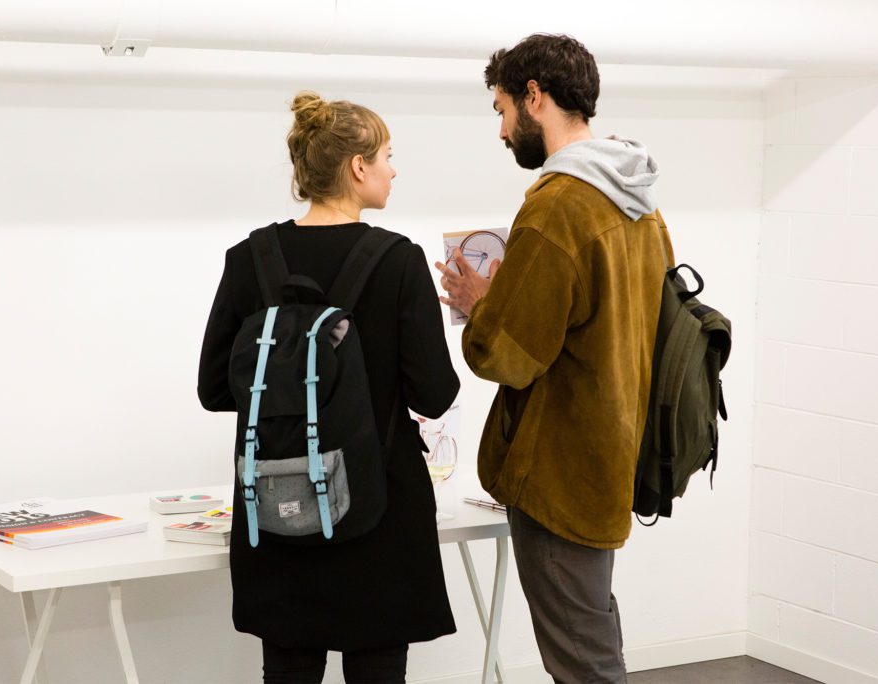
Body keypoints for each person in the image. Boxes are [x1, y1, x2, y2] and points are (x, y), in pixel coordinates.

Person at [198, 91, 460, 683]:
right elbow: (434, 395)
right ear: (358, 166)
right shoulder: (399, 261)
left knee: (287, 669)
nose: (394, 170)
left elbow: (215, 389)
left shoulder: (248, 259)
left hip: (277, 504)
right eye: (388, 156)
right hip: (378, 508)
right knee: (377, 669)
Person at [436, 34, 673, 683]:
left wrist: (483, 304)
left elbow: (505, 357)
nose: (502, 130)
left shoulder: (558, 205)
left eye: (502, 109)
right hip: (613, 456)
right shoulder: (639, 201)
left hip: (559, 470)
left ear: (534, 97)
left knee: (582, 661)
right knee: (593, 636)